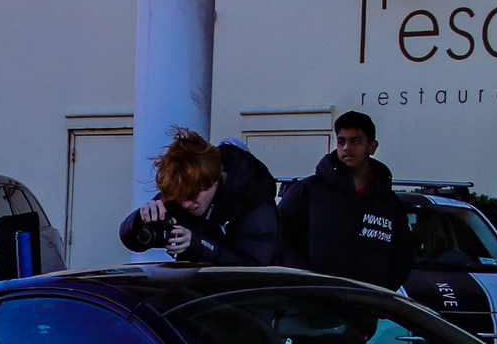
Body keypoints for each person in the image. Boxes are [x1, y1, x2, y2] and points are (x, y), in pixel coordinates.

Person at [274, 111, 414, 288]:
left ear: (372, 147)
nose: (347, 147)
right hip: (309, 304)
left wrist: (381, 290)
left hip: (364, 306)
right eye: (342, 142)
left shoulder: (388, 202)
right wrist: (303, 279)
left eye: (355, 141)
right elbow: (280, 236)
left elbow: (403, 255)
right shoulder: (310, 190)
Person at [120, 128, 279, 265]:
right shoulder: (186, 186)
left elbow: (254, 272)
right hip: (198, 290)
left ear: (215, 179)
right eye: (180, 197)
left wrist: (198, 244)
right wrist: (140, 220)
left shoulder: (255, 200)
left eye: (194, 195)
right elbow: (131, 240)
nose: (187, 204)